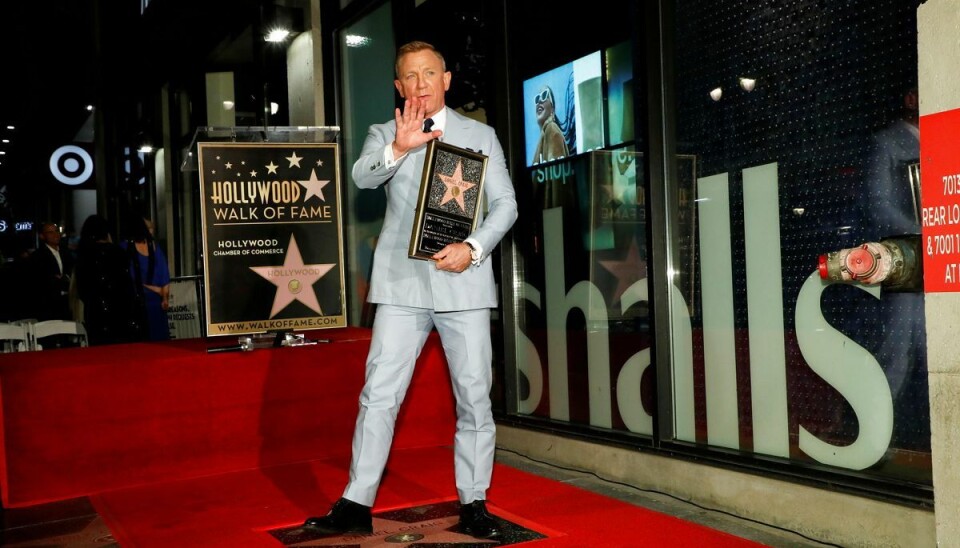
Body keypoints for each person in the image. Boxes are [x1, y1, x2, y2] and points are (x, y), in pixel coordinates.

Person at [303, 41, 517, 539]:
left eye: (429, 74)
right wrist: (400, 148)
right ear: (399, 87)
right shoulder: (385, 133)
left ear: (446, 80)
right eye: (410, 77)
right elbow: (360, 178)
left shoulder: (480, 134)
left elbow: (505, 205)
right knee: (379, 394)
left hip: (463, 282)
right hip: (401, 287)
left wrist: (475, 246)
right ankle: (356, 501)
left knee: (474, 397)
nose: (420, 84)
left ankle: (475, 503)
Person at [74, 214, 148, 345]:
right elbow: (127, 283)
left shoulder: (84, 255)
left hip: (96, 312)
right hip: (121, 310)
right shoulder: (119, 252)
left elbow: (82, 289)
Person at [120, 217, 171, 341]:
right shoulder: (155, 248)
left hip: (141, 302)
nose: (151, 231)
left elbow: (131, 277)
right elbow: (165, 275)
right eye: (149, 228)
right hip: (156, 302)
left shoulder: (125, 247)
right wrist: (164, 296)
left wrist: (159, 292)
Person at [27, 222, 73, 321]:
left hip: (67, 303)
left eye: (56, 231)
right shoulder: (38, 256)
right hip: (48, 305)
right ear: (42, 236)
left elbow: (71, 273)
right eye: (50, 232)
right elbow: (43, 280)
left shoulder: (66, 253)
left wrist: (64, 279)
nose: (55, 234)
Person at [532, 85, 569, 164]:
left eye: (544, 95)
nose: (539, 101)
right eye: (537, 98)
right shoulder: (545, 134)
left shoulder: (551, 128)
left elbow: (554, 173)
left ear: (552, 110)